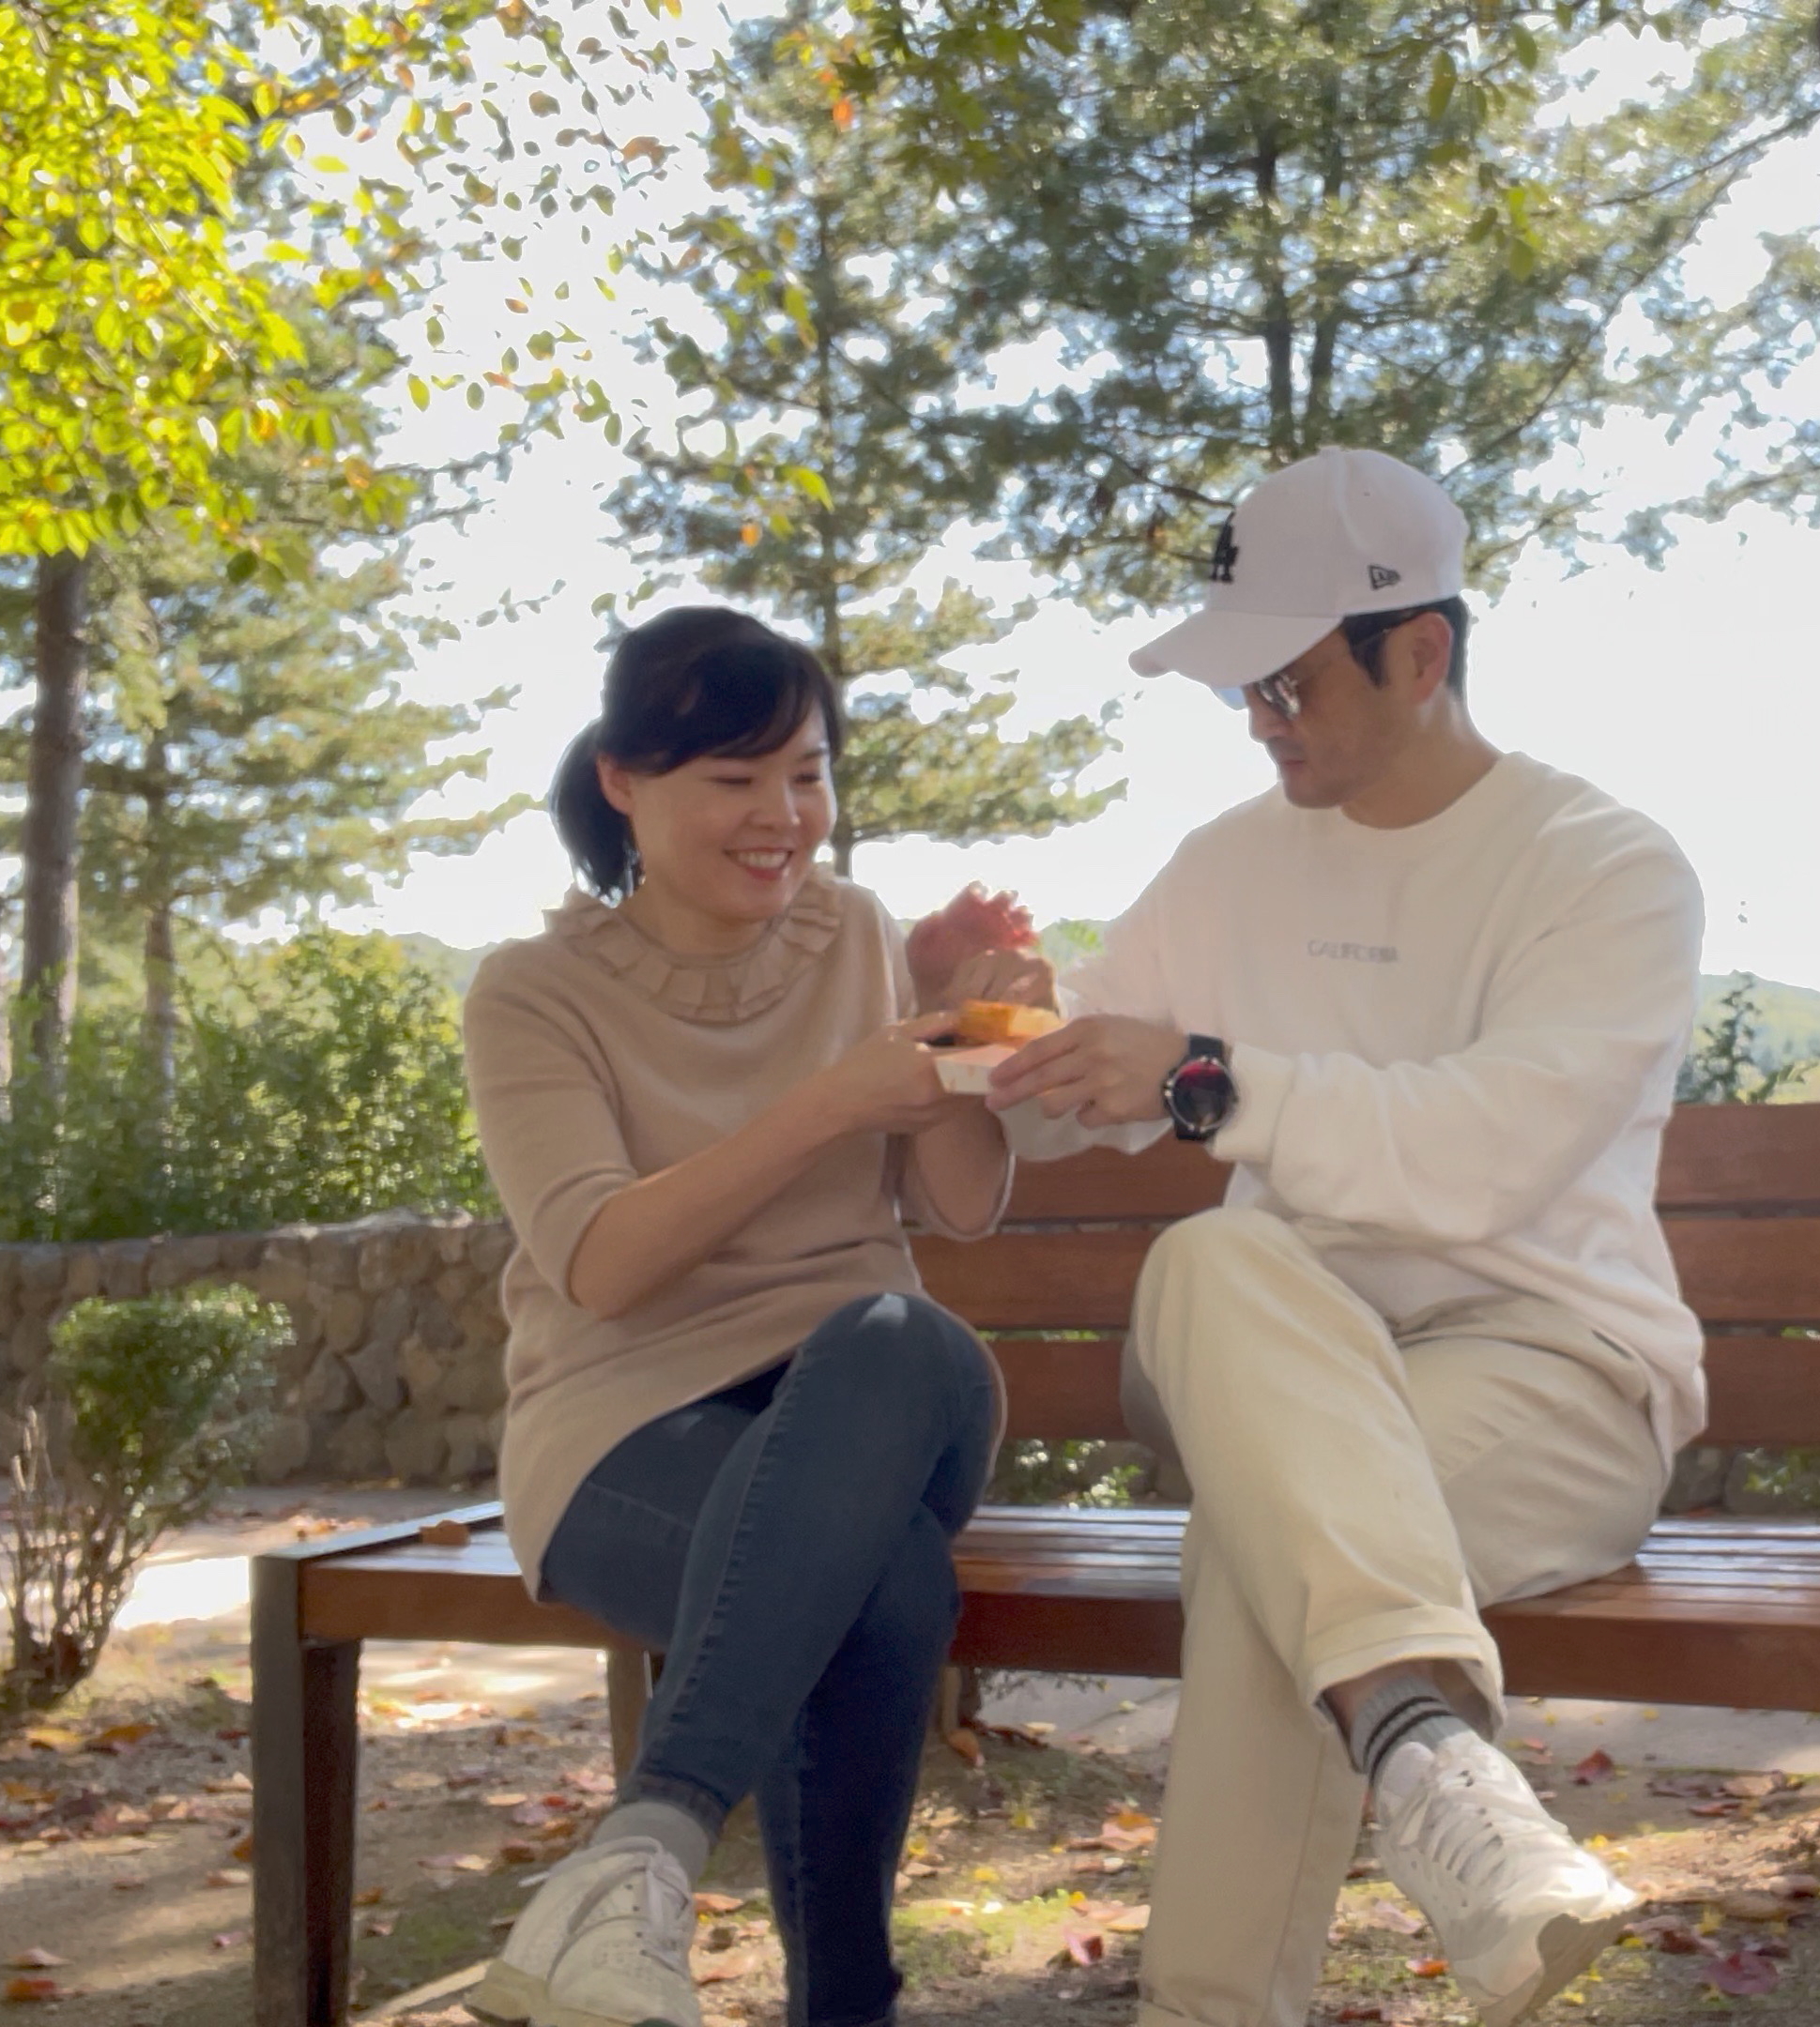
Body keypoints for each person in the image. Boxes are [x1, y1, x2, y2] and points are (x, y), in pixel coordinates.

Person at [977, 449, 1705, 2027]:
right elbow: (1069, 1097)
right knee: (1214, 1259)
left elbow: (1482, 1157)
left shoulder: (1603, 867)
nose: (1260, 722)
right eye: (1241, 689)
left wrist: (1203, 1082)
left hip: (1551, 1371)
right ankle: (1435, 1762)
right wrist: (992, 1023)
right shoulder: (1230, 863)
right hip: (1269, 1355)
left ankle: (1223, 1991)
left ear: (1423, 653)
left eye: (1289, 684)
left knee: (1266, 1553)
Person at [460, 607, 1045, 2027]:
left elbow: (962, 1206)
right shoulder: (531, 994)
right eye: (735, 780)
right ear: (623, 780)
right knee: (882, 1585)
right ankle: (842, 2005)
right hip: (627, 1425)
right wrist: (829, 1103)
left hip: (881, 1402)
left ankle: (641, 1850)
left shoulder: (860, 934)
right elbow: (601, 1265)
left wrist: (963, 1033)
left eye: (808, 773)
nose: (783, 816)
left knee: (898, 1334)